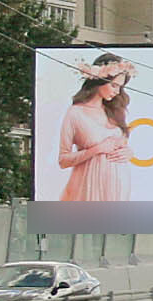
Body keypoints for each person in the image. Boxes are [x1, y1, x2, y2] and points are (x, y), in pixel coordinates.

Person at [56, 54, 136, 202]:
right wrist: (96, 150)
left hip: (118, 185)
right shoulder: (75, 113)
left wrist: (128, 152)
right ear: (98, 80)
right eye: (114, 85)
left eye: (120, 87)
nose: (117, 92)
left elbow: (122, 145)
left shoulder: (115, 112)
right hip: (88, 186)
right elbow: (63, 160)